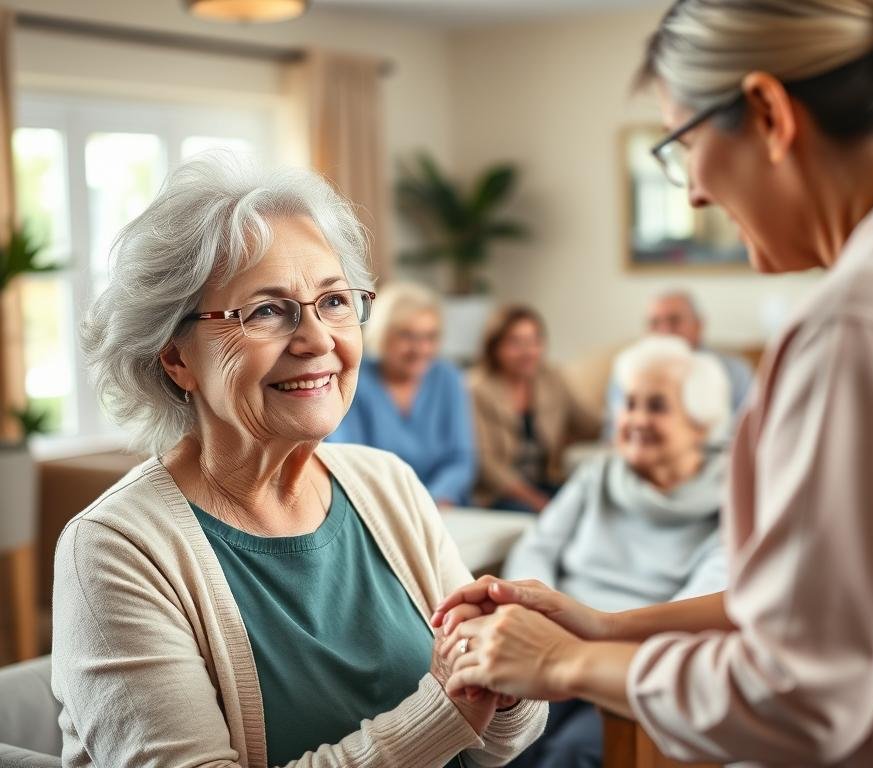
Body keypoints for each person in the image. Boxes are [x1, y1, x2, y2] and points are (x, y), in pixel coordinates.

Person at [433, 1, 873, 765]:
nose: (695, 195)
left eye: (681, 146)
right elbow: (838, 601)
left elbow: (803, 695)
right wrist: (604, 627)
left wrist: (559, 663)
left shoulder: (860, 327)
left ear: (769, 112)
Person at [55, 153, 546, 767]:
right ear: (175, 358)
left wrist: (502, 678)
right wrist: (440, 712)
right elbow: (448, 721)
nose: (318, 340)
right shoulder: (114, 550)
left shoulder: (386, 482)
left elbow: (492, 747)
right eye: (265, 310)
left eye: (334, 301)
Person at [501, 335, 730, 767]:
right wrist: (542, 615)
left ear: (702, 423)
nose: (636, 419)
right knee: (500, 731)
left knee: (572, 752)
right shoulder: (599, 472)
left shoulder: (732, 497)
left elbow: (703, 601)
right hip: (557, 636)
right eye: (629, 403)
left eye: (657, 406)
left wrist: (593, 644)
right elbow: (537, 546)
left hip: (643, 659)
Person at [327, 281, 475, 506]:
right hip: (376, 507)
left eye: (430, 337)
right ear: (382, 335)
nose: (420, 349)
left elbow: (460, 458)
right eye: (407, 336)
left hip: (442, 507)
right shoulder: (353, 380)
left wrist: (432, 501)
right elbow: (349, 461)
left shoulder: (448, 377)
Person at [468, 305, 601, 513]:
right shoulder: (475, 389)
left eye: (534, 341)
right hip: (499, 493)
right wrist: (538, 502)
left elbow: (590, 423)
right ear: (494, 347)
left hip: (545, 481)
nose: (528, 352)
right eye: (515, 342)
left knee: (595, 505)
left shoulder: (552, 378)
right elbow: (486, 465)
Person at [605, 291, 753, 435]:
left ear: (698, 325)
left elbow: (748, 432)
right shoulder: (627, 368)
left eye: (674, 320)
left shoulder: (734, 371)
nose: (665, 331)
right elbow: (614, 432)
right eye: (654, 322)